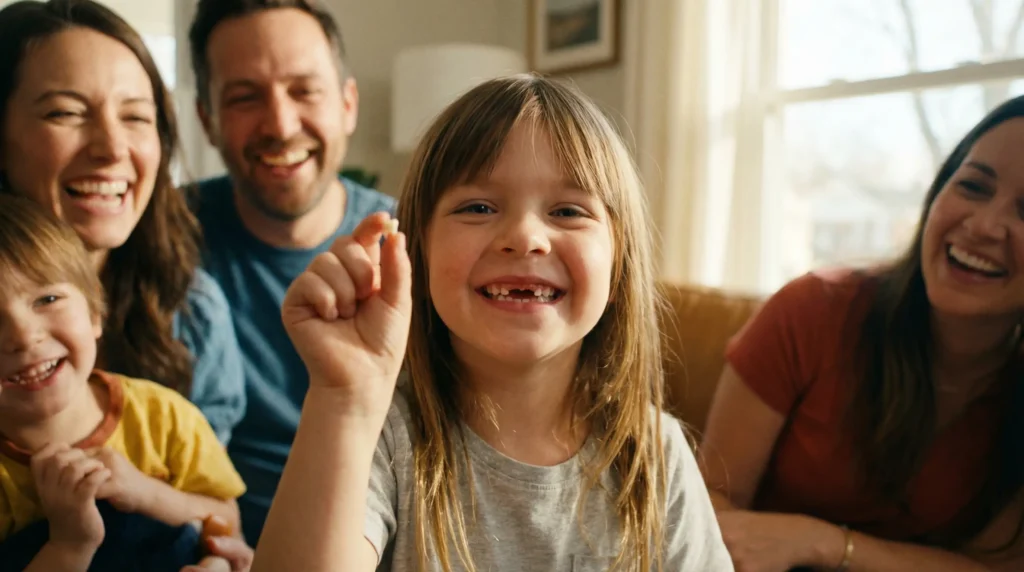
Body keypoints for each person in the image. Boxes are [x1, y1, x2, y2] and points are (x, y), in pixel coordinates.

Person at [252, 74, 734, 571]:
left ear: (619, 264)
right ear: (418, 252)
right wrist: (344, 401)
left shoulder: (654, 454)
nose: (525, 237)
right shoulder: (384, 434)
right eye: (478, 207)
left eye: (568, 211)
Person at [699, 95, 1024, 572]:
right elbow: (712, 502)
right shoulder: (812, 311)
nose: (984, 225)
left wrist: (826, 543)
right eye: (974, 186)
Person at [187, 0, 395, 543]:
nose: (280, 124)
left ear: (348, 104)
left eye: (304, 90)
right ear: (207, 120)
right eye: (244, 97)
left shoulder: (413, 240)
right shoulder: (162, 239)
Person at [0, 0, 246, 444]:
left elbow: (211, 503)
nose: (113, 149)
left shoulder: (192, 313)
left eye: (135, 117)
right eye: (66, 113)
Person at [0, 194, 246, 572]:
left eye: (47, 298)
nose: (23, 336)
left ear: (95, 312)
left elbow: (227, 522)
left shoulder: (165, 418)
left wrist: (147, 494)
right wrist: (70, 543)